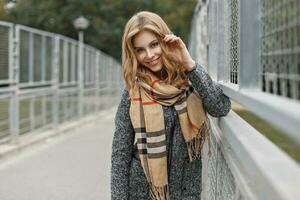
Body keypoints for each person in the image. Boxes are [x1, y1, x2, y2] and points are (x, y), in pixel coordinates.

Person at [111, 11, 231, 200]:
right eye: (140, 50)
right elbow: (120, 153)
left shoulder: (191, 79)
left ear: (165, 40)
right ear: (133, 53)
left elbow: (220, 107)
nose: (149, 55)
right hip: (144, 191)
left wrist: (189, 64)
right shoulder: (133, 92)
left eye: (154, 44)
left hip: (185, 190)